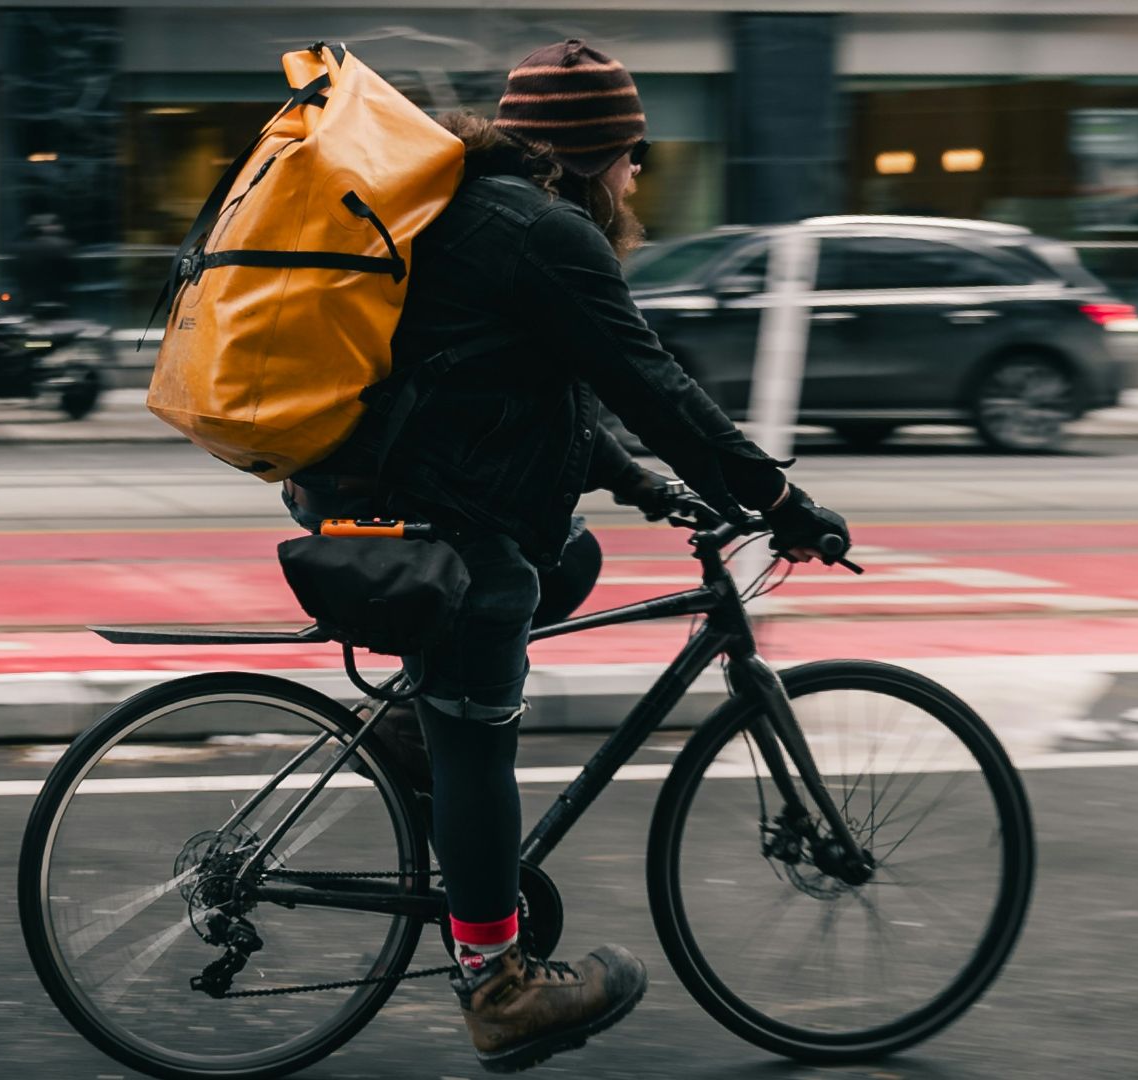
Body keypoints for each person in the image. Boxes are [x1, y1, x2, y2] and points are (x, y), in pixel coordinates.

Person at [281, 39, 851, 1073]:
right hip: (437, 530)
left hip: (401, 497)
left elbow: (528, 393)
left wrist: (642, 484)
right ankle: (496, 984)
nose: (639, 175)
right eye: (634, 154)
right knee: (483, 713)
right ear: (598, 151)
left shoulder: (481, 208)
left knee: (568, 564)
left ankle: (412, 722)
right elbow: (651, 384)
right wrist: (778, 498)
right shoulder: (545, 234)